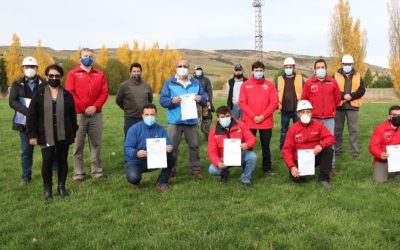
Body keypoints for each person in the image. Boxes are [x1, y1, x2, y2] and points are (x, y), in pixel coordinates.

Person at [27, 64, 78, 201]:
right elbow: (32, 115)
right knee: (47, 161)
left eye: (57, 76)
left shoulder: (67, 95)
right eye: (51, 76)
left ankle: (61, 187)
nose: (54, 78)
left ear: (61, 77)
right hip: (45, 135)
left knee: (62, 161)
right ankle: (47, 189)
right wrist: (32, 134)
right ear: (46, 77)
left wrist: (74, 131)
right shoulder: (39, 93)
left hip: (64, 134)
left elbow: (72, 115)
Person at [65, 48, 109, 181]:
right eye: (85, 56)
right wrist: (84, 108)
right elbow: (70, 93)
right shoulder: (73, 74)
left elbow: (104, 92)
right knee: (78, 145)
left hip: (96, 114)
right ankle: (78, 173)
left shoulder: (99, 74)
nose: (88, 58)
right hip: (79, 115)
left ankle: (97, 172)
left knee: (96, 144)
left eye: (90, 56)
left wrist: (95, 107)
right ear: (80, 58)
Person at [159, 59, 207, 178]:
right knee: (172, 147)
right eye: (180, 66)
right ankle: (170, 170)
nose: (182, 68)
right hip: (175, 121)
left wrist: (201, 98)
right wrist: (172, 101)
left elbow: (204, 97)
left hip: (191, 121)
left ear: (189, 68)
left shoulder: (196, 82)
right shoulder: (169, 82)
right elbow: (162, 100)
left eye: (185, 66)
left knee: (194, 146)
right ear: (176, 68)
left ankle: (195, 170)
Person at [282, 100, 336, 188]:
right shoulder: (293, 129)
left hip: (314, 155)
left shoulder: (318, 125)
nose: (305, 114)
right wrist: (291, 166)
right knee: (296, 178)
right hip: (299, 158)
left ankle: (323, 179)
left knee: (328, 150)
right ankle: (303, 173)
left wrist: (321, 145)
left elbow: (331, 138)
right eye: (302, 112)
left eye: (308, 112)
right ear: (298, 114)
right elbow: (286, 150)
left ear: (311, 113)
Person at [9, 56, 46, 184]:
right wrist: (28, 112)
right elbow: (12, 101)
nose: (29, 69)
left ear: (37, 68)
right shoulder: (17, 84)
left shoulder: (44, 83)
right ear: (23, 68)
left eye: (32, 67)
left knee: (47, 148)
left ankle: (54, 169)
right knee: (26, 151)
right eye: (27, 67)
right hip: (24, 124)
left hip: (42, 123)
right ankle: (26, 177)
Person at [238, 61, 278, 175]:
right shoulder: (245, 85)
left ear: (263, 71)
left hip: (266, 122)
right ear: (252, 71)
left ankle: (267, 168)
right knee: (248, 145)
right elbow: (242, 102)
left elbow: (274, 102)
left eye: (261, 70)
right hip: (250, 121)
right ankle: (246, 167)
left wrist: (262, 116)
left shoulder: (269, 85)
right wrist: (253, 116)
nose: (259, 73)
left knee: (266, 146)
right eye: (256, 71)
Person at [301, 59, 341, 174]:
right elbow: (304, 100)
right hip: (313, 118)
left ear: (326, 69)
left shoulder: (333, 82)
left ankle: (331, 165)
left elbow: (337, 99)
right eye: (318, 67)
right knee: (311, 142)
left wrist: (331, 109)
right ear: (314, 70)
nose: (320, 69)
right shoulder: (309, 83)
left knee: (330, 141)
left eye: (322, 67)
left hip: (329, 118)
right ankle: (309, 165)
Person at [124, 104, 175, 192]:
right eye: (147, 114)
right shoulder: (133, 129)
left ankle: (162, 182)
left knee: (172, 156)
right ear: (142, 116)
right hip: (136, 160)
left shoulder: (160, 129)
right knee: (133, 177)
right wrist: (136, 153)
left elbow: (168, 144)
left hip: (155, 159)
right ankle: (136, 182)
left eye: (152, 114)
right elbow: (127, 148)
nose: (149, 117)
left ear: (156, 115)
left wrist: (169, 148)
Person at [208, 106, 257, 187]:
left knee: (252, 156)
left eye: (227, 116)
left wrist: (247, 144)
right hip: (224, 159)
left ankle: (245, 179)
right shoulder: (213, 132)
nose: (225, 118)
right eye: (222, 117)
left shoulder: (240, 124)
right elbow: (212, 151)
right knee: (212, 169)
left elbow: (252, 139)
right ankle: (225, 174)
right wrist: (217, 163)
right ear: (218, 118)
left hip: (240, 154)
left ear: (231, 116)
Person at [334, 55, 366, 158]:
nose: (347, 66)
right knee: (337, 130)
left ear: (352, 64)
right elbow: (333, 89)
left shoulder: (357, 75)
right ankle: (337, 151)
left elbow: (362, 90)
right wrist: (344, 96)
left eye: (349, 64)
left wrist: (351, 96)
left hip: (353, 107)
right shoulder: (336, 75)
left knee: (354, 130)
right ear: (342, 64)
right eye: (345, 64)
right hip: (339, 107)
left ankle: (354, 152)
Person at [116, 62, 153, 136]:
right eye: (134, 71)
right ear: (130, 73)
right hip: (130, 119)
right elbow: (118, 101)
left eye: (138, 71)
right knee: (130, 140)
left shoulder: (147, 85)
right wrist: (127, 109)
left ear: (141, 72)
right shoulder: (124, 86)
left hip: (144, 118)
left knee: (144, 140)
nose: (136, 73)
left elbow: (150, 100)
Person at [276, 57, 304, 150]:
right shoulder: (280, 79)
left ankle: (298, 147)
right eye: (286, 67)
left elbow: (303, 92)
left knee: (299, 130)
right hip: (284, 110)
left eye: (290, 67)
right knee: (284, 130)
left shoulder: (299, 78)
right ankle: (283, 148)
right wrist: (278, 106)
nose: (288, 68)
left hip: (297, 109)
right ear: (284, 68)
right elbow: (278, 93)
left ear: (293, 67)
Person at [368, 105, 400, 183]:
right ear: (389, 116)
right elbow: (372, 146)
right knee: (379, 181)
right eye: (395, 115)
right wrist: (380, 154)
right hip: (383, 159)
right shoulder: (380, 128)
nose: (398, 117)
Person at [193, 65, 214, 141]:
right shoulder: (191, 80)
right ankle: (195, 138)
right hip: (194, 104)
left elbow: (209, 91)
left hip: (205, 103)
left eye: (200, 69)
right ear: (194, 71)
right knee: (196, 121)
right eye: (197, 69)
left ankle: (208, 136)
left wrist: (209, 101)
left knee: (207, 118)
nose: (199, 70)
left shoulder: (206, 80)